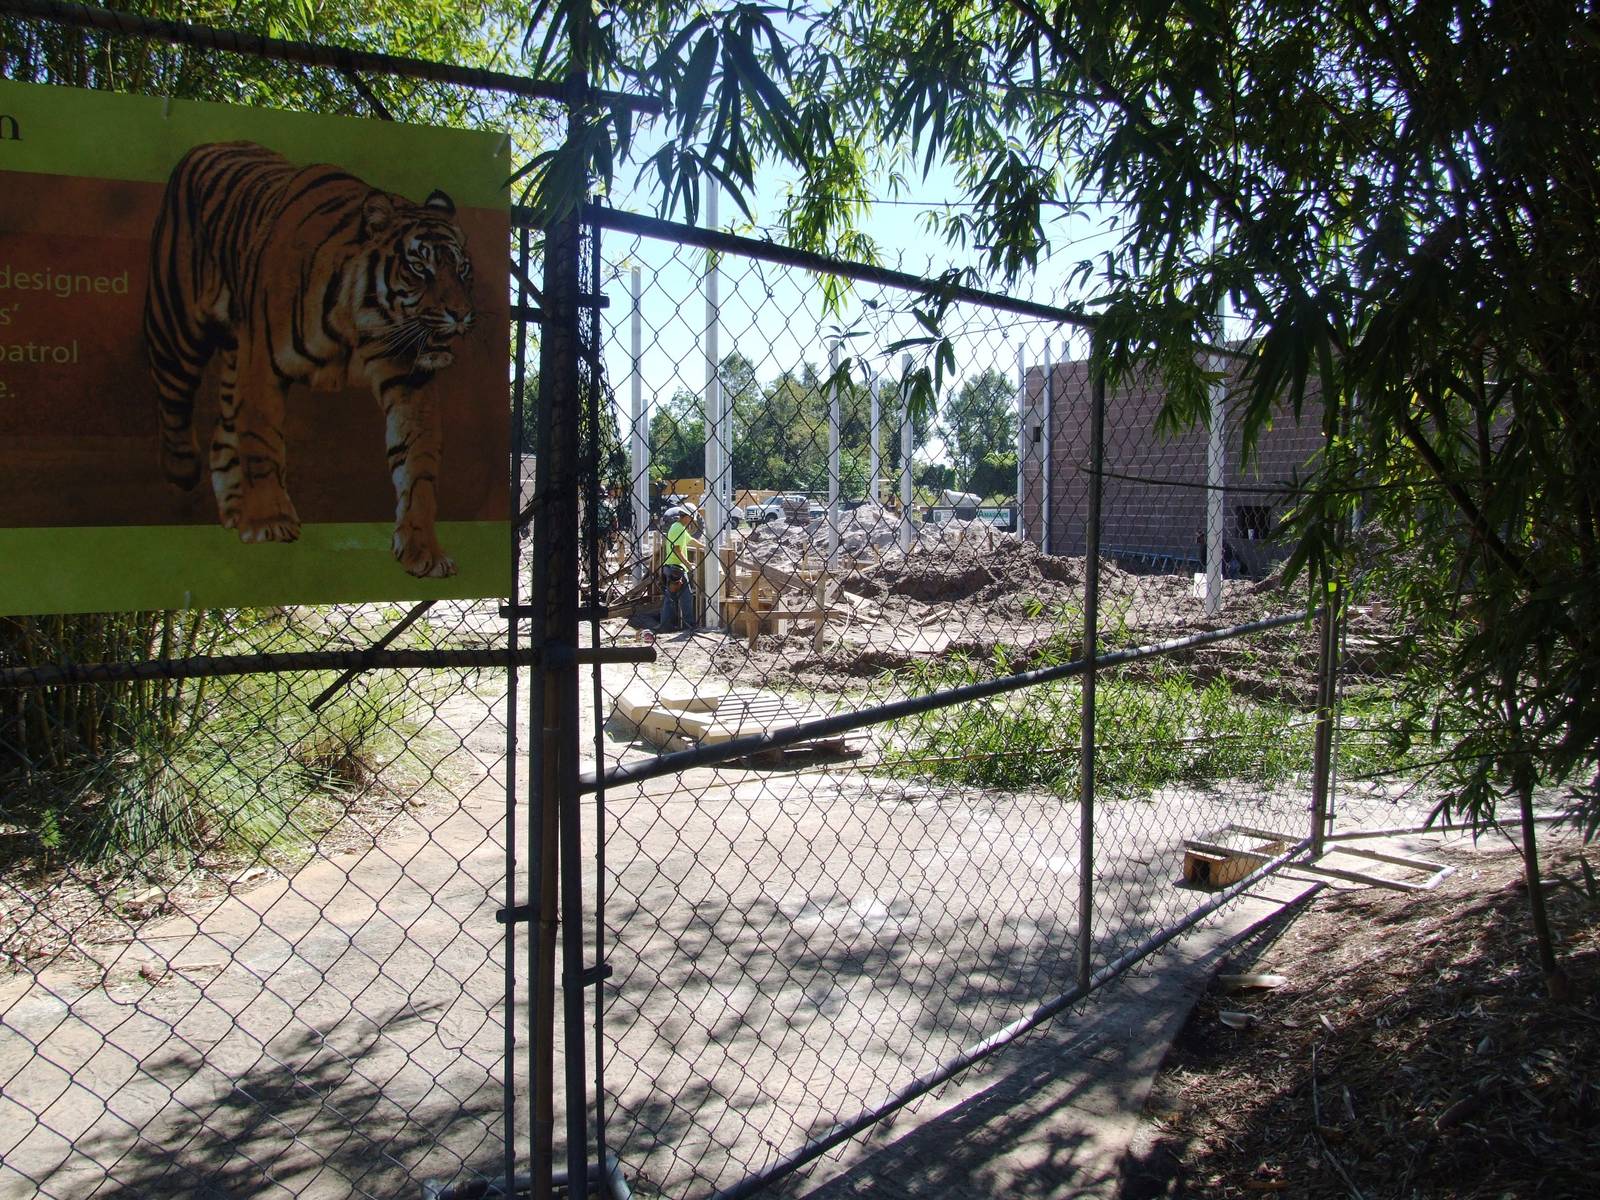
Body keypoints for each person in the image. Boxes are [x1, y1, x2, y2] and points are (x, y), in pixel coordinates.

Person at [659, 506, 703, 632]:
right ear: (687, 516)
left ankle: (666, 626)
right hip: (676, 568)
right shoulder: (678, 529)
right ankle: (689, 625)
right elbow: (677, 549)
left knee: (671, 598)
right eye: (691, 519)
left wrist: (706, 546)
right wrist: (689, 564)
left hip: (671, 567)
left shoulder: (679, 528)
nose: (691, 522)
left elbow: (691, 541)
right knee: (686, 597)